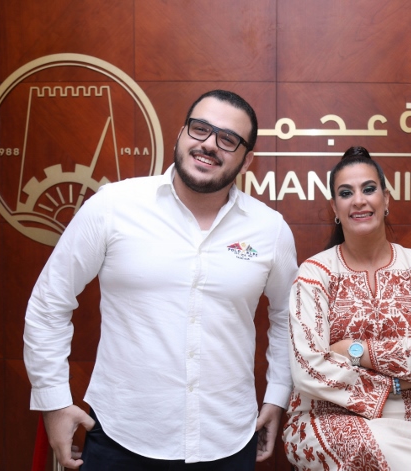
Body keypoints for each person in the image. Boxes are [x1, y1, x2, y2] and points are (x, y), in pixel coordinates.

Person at [23, 89, 298, 470]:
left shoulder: (270, 229)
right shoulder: (113, 206)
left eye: (228, 139)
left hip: (227, 440)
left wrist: (277, 395)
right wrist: (53, 401)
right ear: (181, 134)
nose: (209, 144)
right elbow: (49, 302)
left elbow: (287, 317)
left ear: (247, 159)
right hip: (120, 437)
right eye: (200, 129)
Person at [282, 146, 411, 470]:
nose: (359, 200)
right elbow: (308, 367)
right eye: (345, 193)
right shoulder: (314, 273)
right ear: (335, 207)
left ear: (386, 199)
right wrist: (393, 384)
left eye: (368, 189)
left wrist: (354, 351)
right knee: (379, 447)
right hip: (327, 415)